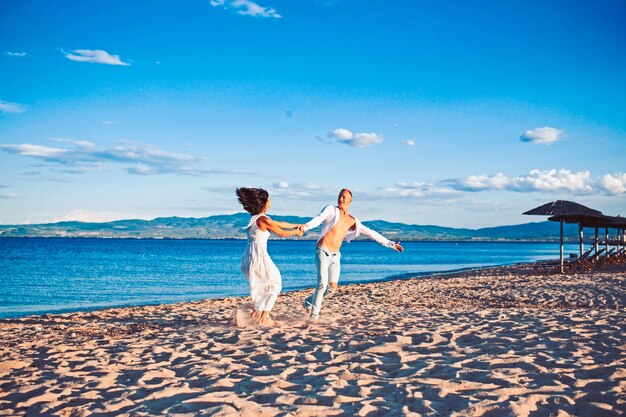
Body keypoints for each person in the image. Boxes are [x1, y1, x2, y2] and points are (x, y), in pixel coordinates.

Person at [300, 189, 403, 320]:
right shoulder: (331, 210)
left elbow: (371, 232)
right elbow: (318, 219)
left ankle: (308, 302)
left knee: (331, 289)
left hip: (335, 256)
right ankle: (314, 317)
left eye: (344, 197)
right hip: (322, 251)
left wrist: (390, 244)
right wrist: (306, 227)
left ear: (350, 201)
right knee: (321, 284)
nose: (341, 199)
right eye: (339, 196)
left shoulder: (352, 220)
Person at [236, 187, 303, 325]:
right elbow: (282, 233)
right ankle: (263, 318)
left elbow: (280, 224)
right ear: (264, 202)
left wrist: (296, 225)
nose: (270, 201)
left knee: (263, 285)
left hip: (249, 256)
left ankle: (255, 313)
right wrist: (296, 233)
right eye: (269, 199)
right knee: (275, 283)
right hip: (258, 256)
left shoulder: (257, 219)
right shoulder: (262, 220)